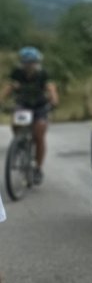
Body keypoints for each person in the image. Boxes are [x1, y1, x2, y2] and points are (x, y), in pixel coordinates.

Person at [0, 46, 59, 184]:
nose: (29, 65)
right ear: (22, 63)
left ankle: (38, 168)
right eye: (26, 62)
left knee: (39, 135)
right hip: (23, 105)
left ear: (37, 63)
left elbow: (51, 88)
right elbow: (9, 87)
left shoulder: (43, 74)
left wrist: (54, 100)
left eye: (32, 62)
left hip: (39, 106)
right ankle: (19, 143)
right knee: (16, 124)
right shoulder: (17, 73)